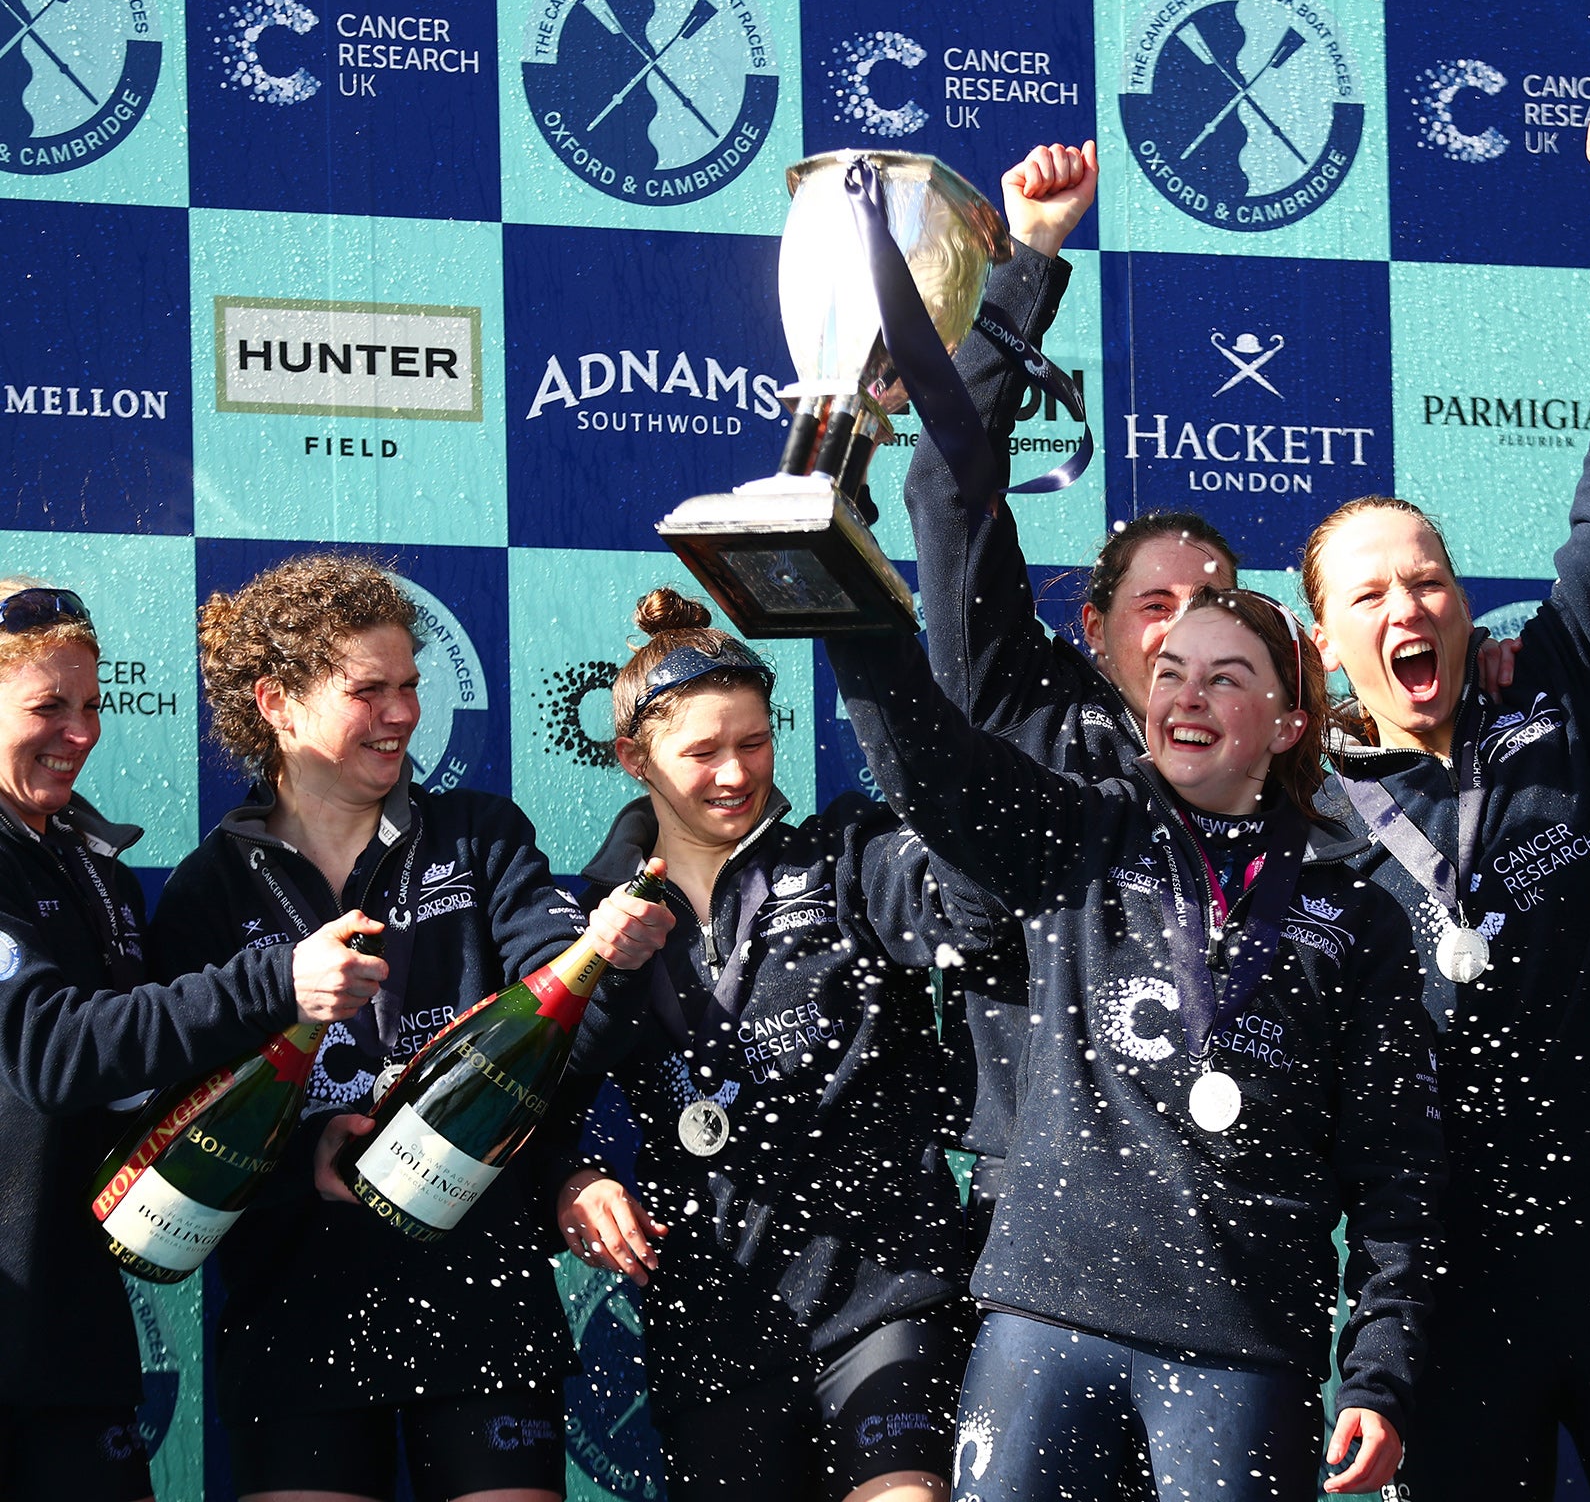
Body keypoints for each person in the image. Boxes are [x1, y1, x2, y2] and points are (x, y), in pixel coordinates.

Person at [1298, 111, 1590, 1500]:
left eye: (1427, 574)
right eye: (1369, 592)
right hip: (1442, 1256)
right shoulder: (1298, 821)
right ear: (1322, 644)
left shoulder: (1567, 678)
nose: (1409, 604)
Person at [826, 583, 1444, 1499]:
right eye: (1169, 673)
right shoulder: (1080, 830)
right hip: (1045, 1318)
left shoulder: (1356, 916)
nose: (1186, 697)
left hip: (1241, 1341)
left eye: (1225, 678)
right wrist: (848, 605)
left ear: (1286, 725)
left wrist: (1382, 1366)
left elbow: (1400, 1164)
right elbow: (928, 761)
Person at [147, 553, 672, 1502]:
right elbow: (179, 1124)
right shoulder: (208, 888)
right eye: (369, 690)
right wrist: (304, 1152)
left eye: (412, 687)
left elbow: (568, 1046)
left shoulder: (479, 834)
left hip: (483, 1296)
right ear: (276, 702)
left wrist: (610, 962)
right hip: (296, 1310)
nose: (403, 714)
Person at [542, 588, 1002, 1502]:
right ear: (635, 758)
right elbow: (542, 1088)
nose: (734, 773)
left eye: (754, 742)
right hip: (715, 1315)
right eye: (702, 751)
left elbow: (977, 912)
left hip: (886, 1287)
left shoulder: (847, 854)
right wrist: (575, 1177)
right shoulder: (582, 917)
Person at [900, 140, 1244, 1247]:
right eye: (1156, 605)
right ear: (1090, 629)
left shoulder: (1273, 742)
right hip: (1036, 1183)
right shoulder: (1023, 699)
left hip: (1220, 1183)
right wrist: (1029, 257)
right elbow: (946, 490)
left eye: (1214, 601)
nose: (1189, 620)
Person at [0, 579, 375, 1502]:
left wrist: (294, 1146)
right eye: (48, 706)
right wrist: (274, 980)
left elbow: (141, 1095)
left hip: (70, 1346)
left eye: (92, 704)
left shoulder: (98, 873)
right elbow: (51, 1052)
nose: (81, 732)